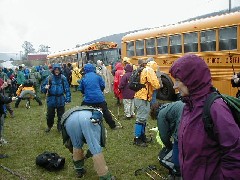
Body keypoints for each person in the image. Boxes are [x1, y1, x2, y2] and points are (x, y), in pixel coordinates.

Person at [169, 54, 240, 180]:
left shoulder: (216, 108)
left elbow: (234, 154)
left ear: (192, 79)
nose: (174, 86)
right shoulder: (188, 106)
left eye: (178, 80)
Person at [61, 106, 116, 179]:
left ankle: (79, 169)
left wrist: (85, 156)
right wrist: (88, 155)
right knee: (95, 148)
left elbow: (68, 143)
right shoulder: (95, 118)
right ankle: (104, 176)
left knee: (76, 145)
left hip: (70, 120)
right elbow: (99, 142)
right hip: (88, 120)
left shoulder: (77, 111)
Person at [78, 63, 122, 130]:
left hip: (88, 99)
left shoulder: (84, 78)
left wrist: (85, 93)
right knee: (106, 112)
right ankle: (113, 126)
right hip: (99, 98)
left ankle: (83, 125)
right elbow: (102, 86)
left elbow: (81, 89)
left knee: (83, 111)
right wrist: (99, 91)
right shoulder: (97, 76)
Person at [150, 101, 185, 178]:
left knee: (177, 144)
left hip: (184, 121)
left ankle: (177, 171)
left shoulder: (161, 114)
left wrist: (169, 146)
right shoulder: (169, 106)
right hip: (190, 116)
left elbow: (164, 136)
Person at [133, 59, 160, 147]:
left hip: (143, 97)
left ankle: (142, 136)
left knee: (143, 118)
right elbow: (156, 84)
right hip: (142, 97)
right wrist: (158, 85)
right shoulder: (149, 70)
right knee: (140, 119)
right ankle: (137, 139)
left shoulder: (145, 69)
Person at [41, 63, 71, 133]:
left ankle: (60, 128)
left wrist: (68, 98)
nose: (57, 71)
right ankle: (49, 126)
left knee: (61, 115)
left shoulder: (63, 78)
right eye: (55, 70)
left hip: (60, 99)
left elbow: (67, 89)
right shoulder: (49, 78)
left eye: (58, 70)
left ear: (60, 70)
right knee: (50, 115)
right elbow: (42, 88)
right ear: (53, 70)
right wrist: (45, 88)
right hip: (51, 99)